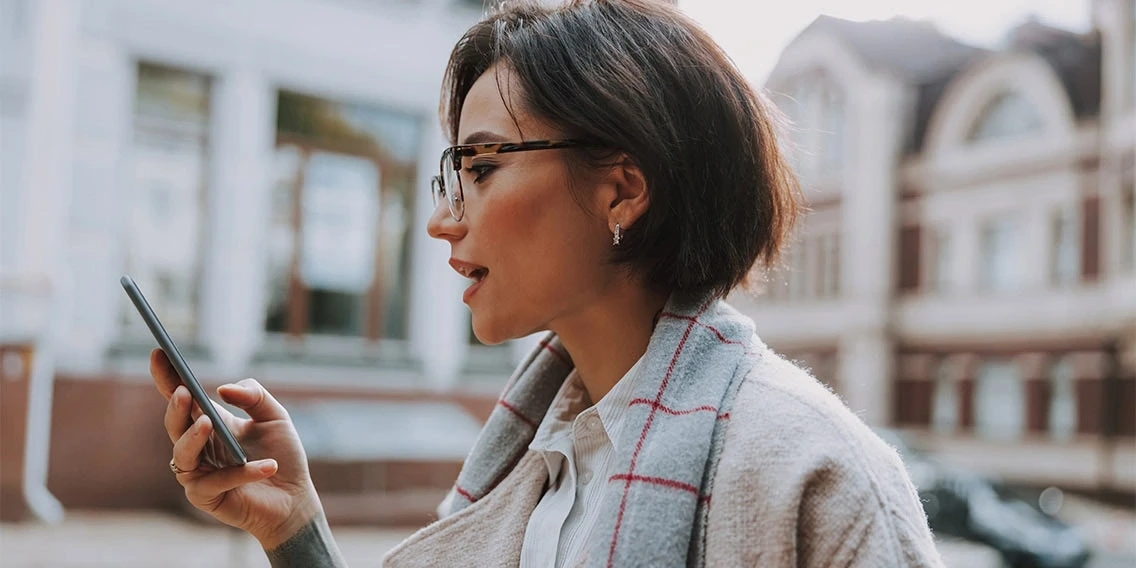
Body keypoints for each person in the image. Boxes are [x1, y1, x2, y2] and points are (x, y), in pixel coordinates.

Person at [150, 0, 946, 566]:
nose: (442, 221)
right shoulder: (538, 465)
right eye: (451, 175)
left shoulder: (815, 474)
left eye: (485, 167)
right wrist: (297, 533)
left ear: (623, 190)